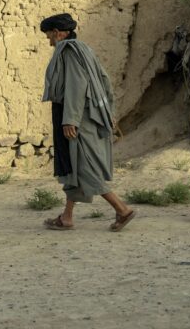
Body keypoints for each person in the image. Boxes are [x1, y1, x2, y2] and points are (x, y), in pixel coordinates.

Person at [40, 13, 135, 232]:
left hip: (77, 117)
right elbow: (103, 81)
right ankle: (67, 217)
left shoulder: (70, 52)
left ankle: (122, 209)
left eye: (49, 36)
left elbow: (76, 85)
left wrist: (70, 120)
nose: (49, 41)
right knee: (74, 165)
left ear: (57, 32)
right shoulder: (83, 50)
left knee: (85, 166)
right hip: (76, 114)